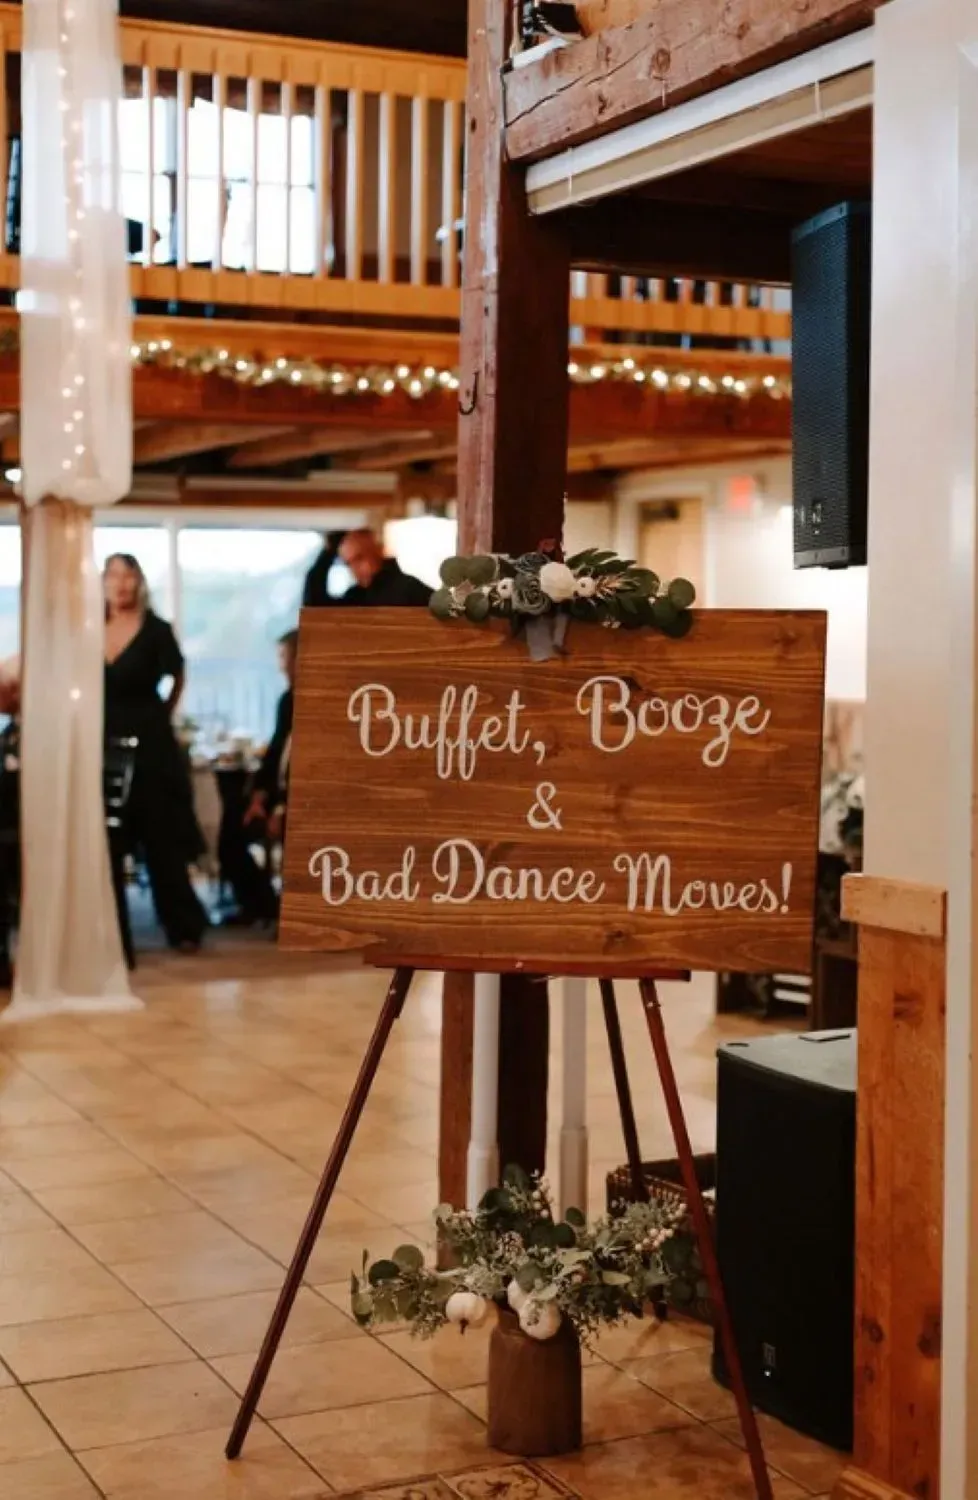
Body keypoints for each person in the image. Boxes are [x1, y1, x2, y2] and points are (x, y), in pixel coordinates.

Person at [103, 554, 209, 953]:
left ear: (139, 582)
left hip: (150, 740)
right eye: (114, 576)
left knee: (161, 836)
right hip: (104, 740)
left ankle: (182, 926)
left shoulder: (157, 630)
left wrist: (163, 713)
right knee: (110, 838)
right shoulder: (91, 627)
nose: (122, 585)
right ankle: (111, 929)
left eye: (129, 577)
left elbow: (178, 674)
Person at [221, 630, 297, 928]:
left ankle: (277, 906)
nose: (281, 665)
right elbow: (275, 754)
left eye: (285, 657)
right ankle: (259, 903)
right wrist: (258, 798)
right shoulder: (286, 702)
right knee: (231, 827)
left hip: (297, 800)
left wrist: (282, 808)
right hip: (274, 793)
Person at [338, 528, 433, 606]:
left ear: (378, 551)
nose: (354, 569)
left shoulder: (412, 589)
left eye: (359, 559)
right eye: (348, 564)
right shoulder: (354, 597)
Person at [301, 530, 348, 608]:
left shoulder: (366, 595)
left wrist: (330, 550)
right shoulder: (358, 594)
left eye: (360, 558)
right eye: (349, 563)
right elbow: (315, 606)